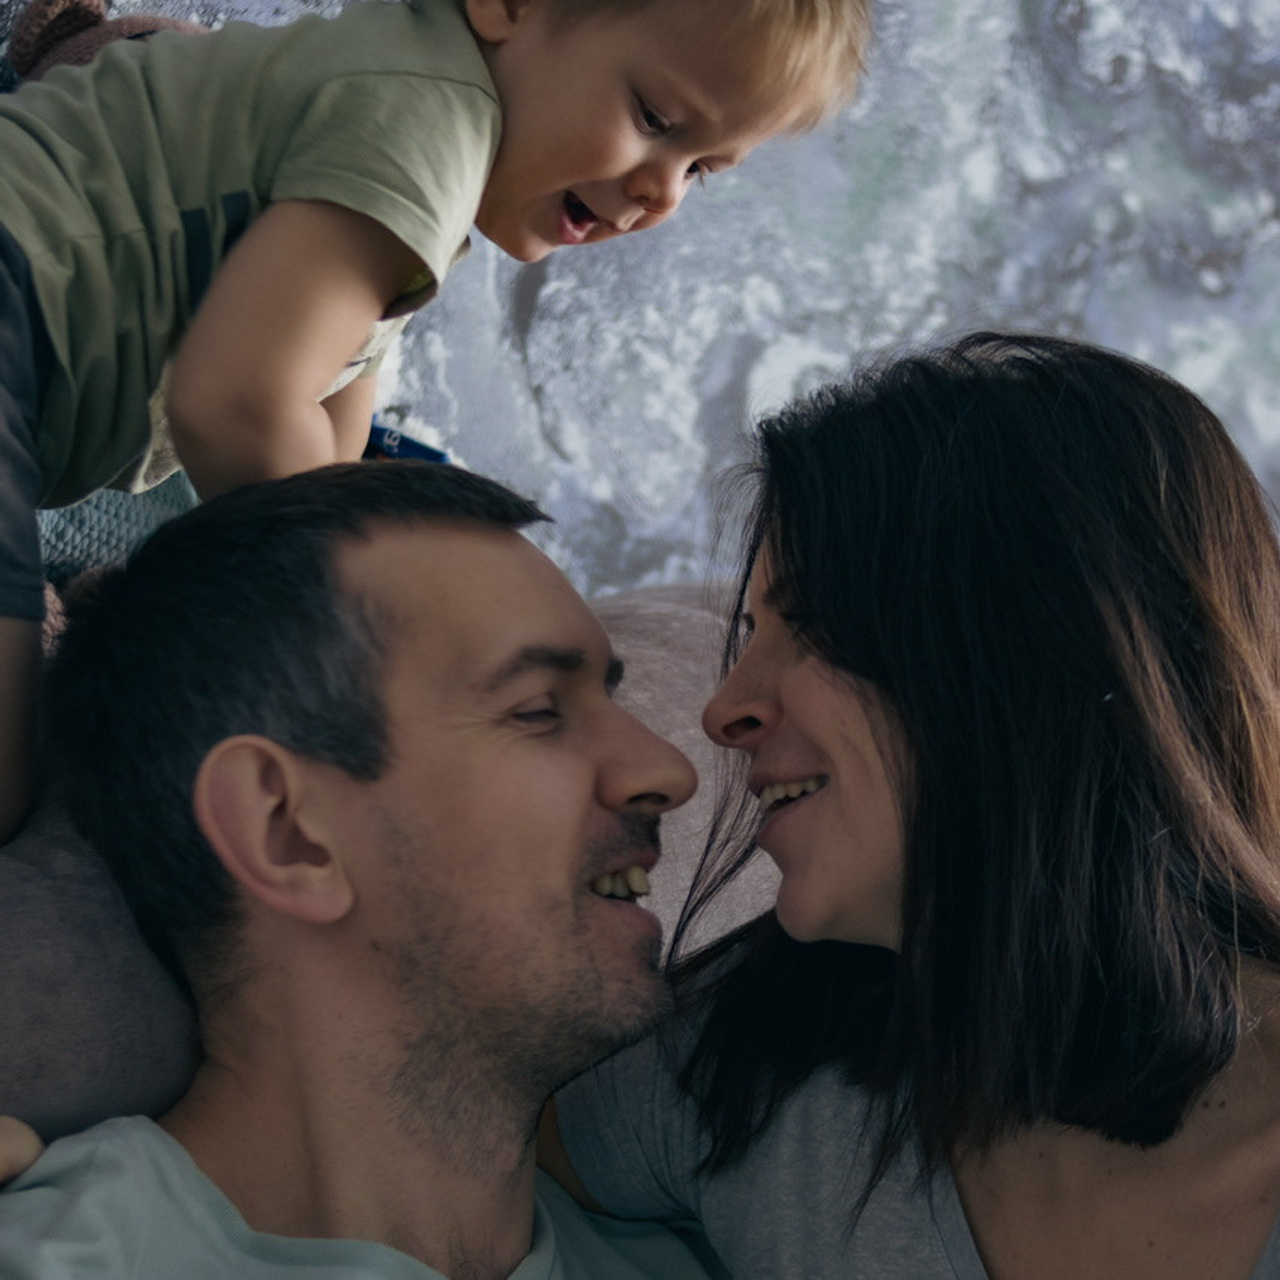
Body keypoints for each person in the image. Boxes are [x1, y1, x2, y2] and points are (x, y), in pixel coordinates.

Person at [0, 0, 872, 845]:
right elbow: (239, 403)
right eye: (655, 117)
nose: (660, 192)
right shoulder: (424, 126)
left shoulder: (420, 150)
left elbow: (330, 437)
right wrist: (367, 647)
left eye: (702, 169)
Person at [545, 332, 1280, 1278]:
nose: (724, 710)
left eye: (813, 627)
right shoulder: (739, 1072)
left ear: (1026, 661)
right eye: (748, 636)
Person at [0, 459, 724, 1278]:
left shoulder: (733, 1249)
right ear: (288, 833)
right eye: (536, 712)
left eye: (613, 701)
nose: (671, 770)